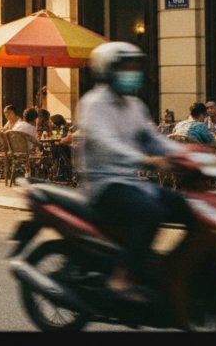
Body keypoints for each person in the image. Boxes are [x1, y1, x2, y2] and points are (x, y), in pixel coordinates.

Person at [73, 41, 188, 304]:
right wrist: (146, 160)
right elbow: (105, 143)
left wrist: (183, 154)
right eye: (125, 67)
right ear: (107, 70)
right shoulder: (94, 104)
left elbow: (152, 137)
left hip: (133, 183)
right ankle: (121, 277)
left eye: (134, 66)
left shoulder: (135, 105)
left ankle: (174, 272)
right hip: (104, 184)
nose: (132, 72)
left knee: (185, 206)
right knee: (151, 213)